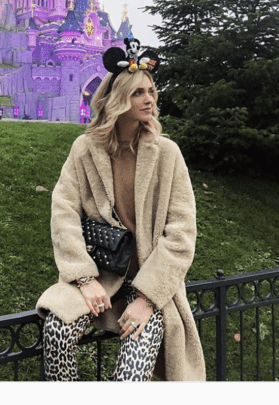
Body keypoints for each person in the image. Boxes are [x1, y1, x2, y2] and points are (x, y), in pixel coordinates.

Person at [36, 52, 206, 381]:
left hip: (149, 285)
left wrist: (147, 299)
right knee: (57, 330)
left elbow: (181, 233)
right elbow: (64, 212)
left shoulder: (167, 154)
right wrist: (83, 279)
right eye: (138, 93)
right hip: (99, 277)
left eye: (151, 91)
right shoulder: (84, 149)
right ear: (117, 99)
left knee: (130, 376)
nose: (149, 99)